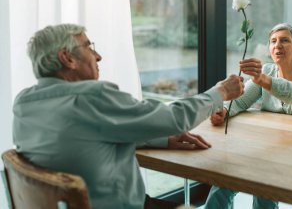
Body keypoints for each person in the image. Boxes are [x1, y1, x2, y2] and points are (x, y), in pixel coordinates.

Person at [12, 24, 245, 209]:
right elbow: (173, 117)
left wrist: (161, 139)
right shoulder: (92, 97)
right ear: (68, 58)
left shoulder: (24, 103)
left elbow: (77, 139)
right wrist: (221, 91)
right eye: (89, 47)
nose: (98, 56)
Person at [204, 23, 292, 209]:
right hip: (274, 148)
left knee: (263, 177)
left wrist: (262, 79)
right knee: (225, 178)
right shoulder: (267, 71)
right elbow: (240, 101)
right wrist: (223, 111)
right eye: (273, 41)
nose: (277, 45)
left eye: (284, 40)